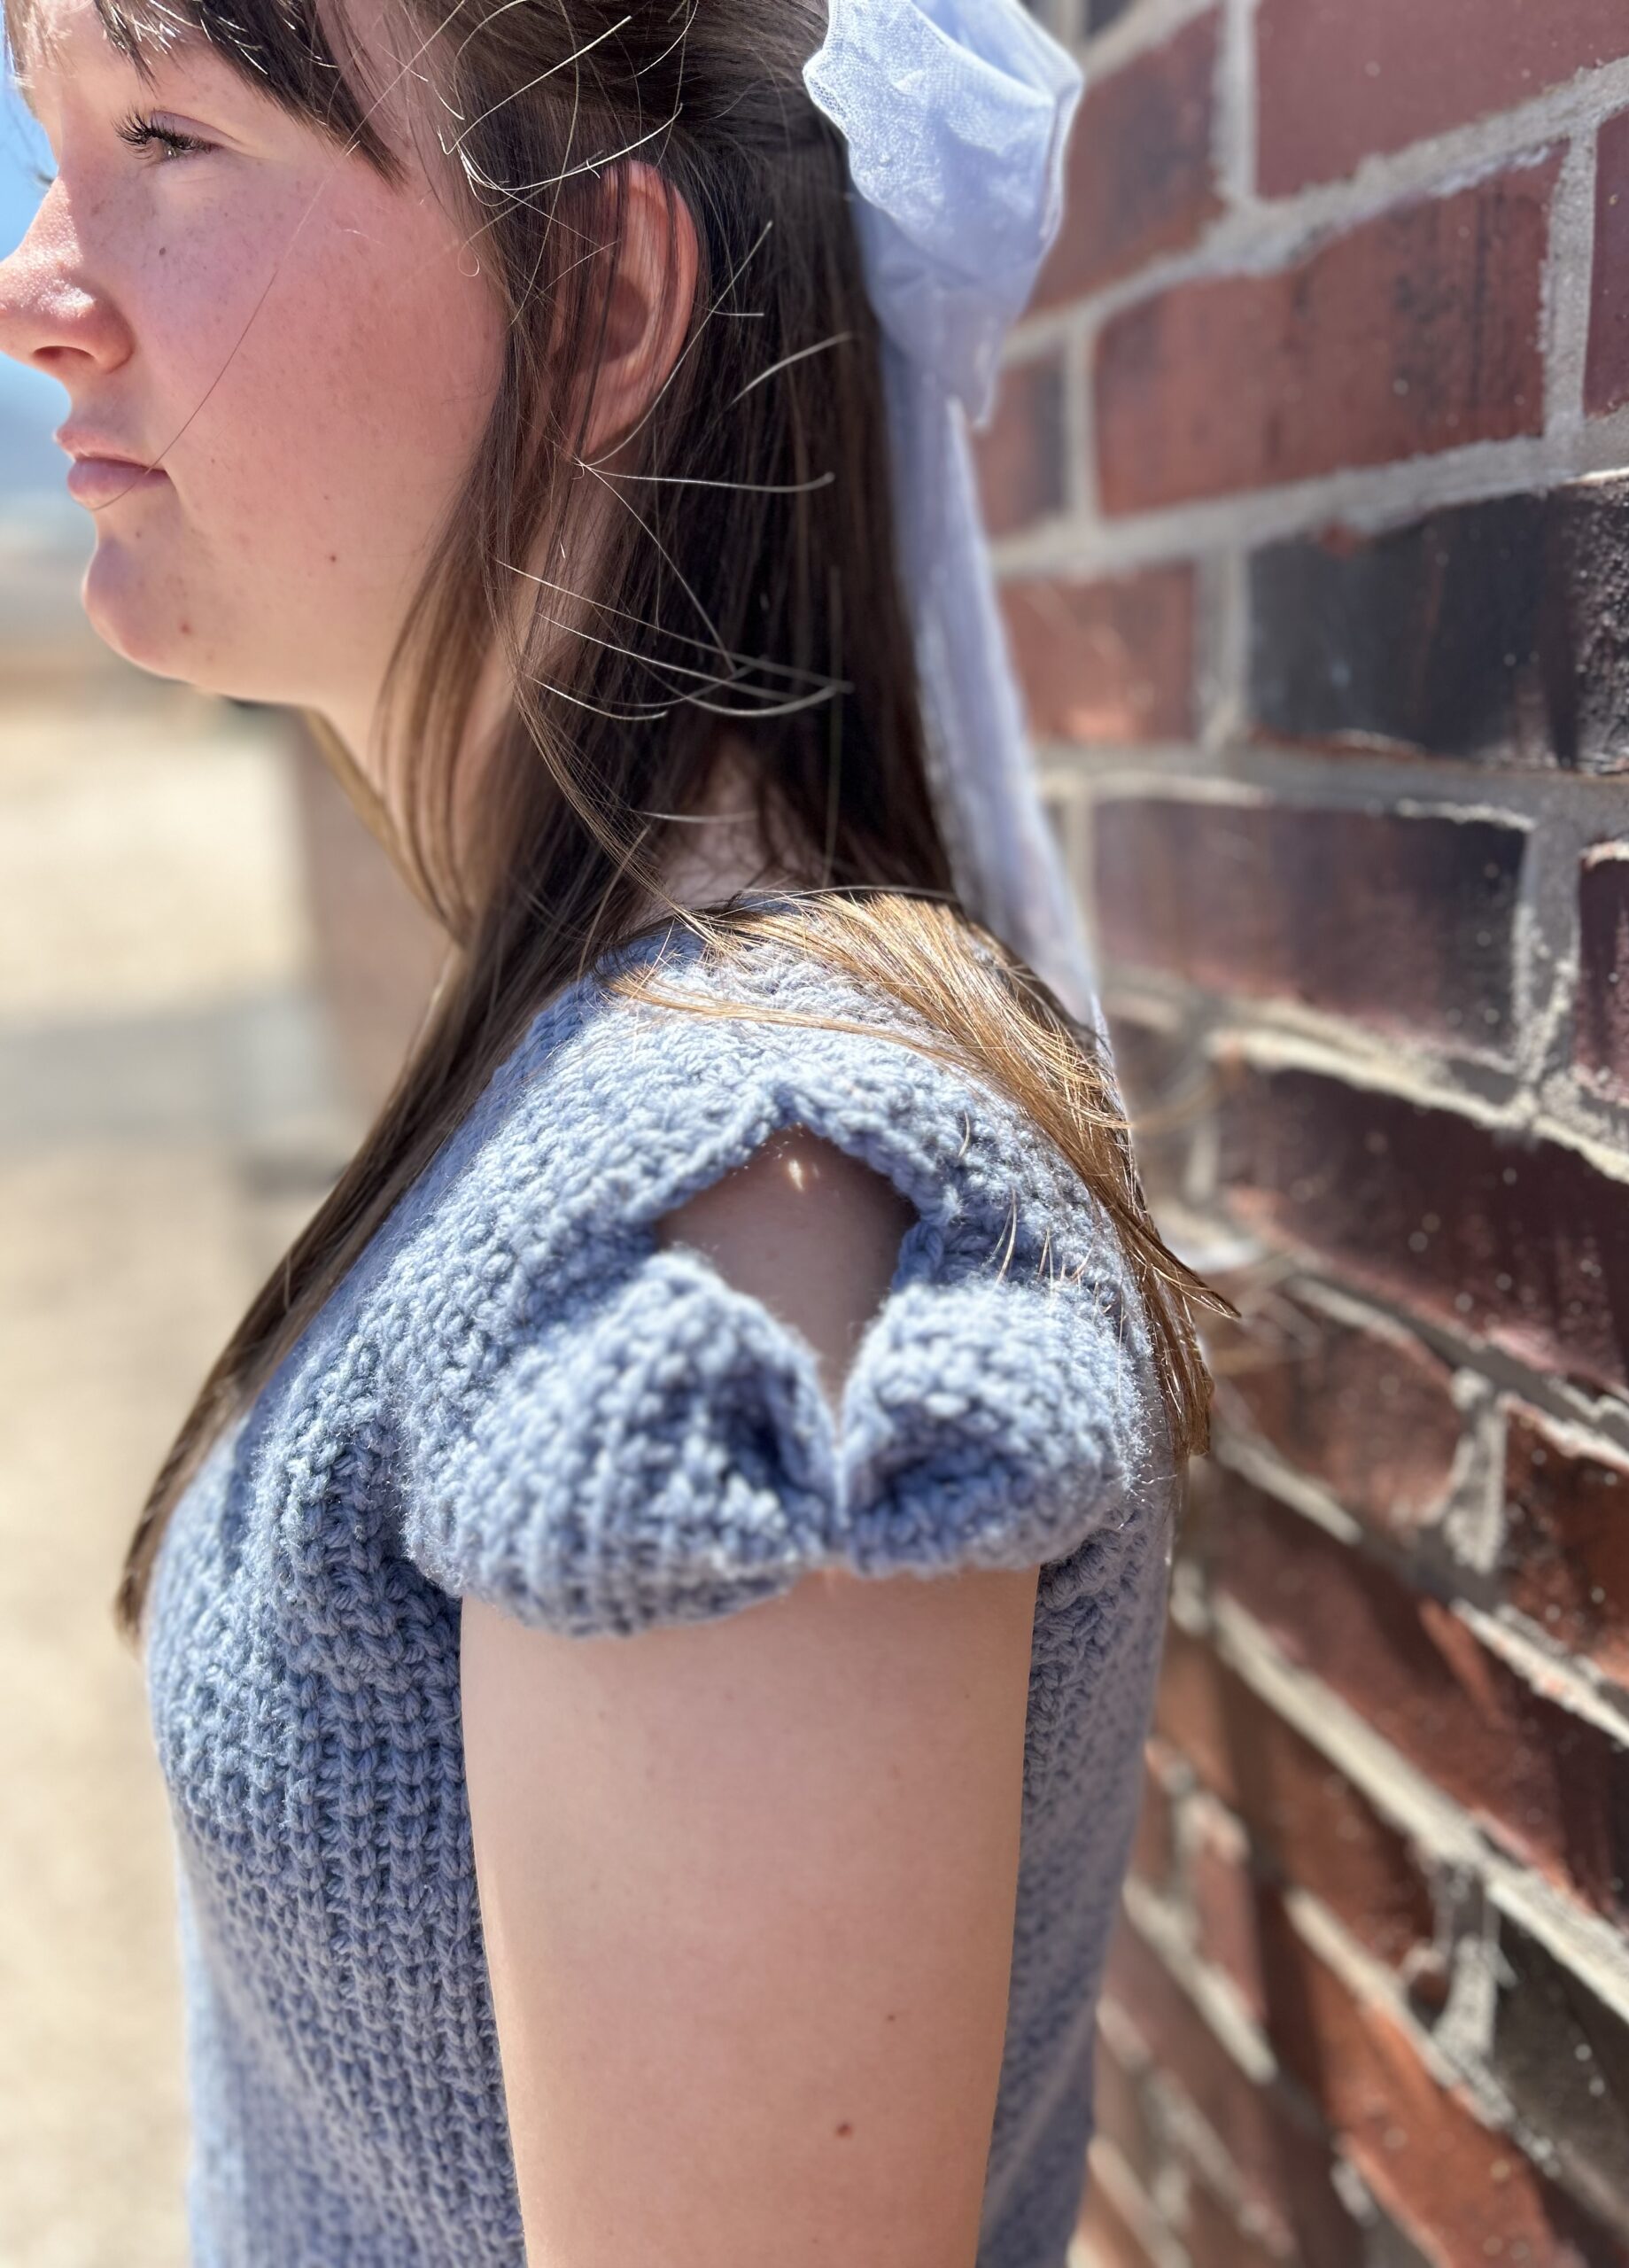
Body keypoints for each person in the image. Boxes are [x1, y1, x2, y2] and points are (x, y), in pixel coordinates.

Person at [0, 0, 1230, 2256]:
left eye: (170, 133)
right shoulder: (631, 1106)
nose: (33, 283)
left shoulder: (743, 1211)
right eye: (46, 138)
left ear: (603, 301)